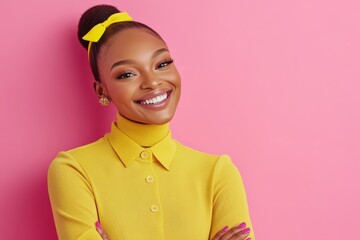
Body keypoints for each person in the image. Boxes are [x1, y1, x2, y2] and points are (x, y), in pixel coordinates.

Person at [48, 4, 255, 240]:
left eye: (162, 64)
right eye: (127, 74)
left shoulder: (218, 172)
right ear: (101, 90)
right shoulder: (73, 169)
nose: (153, 82)